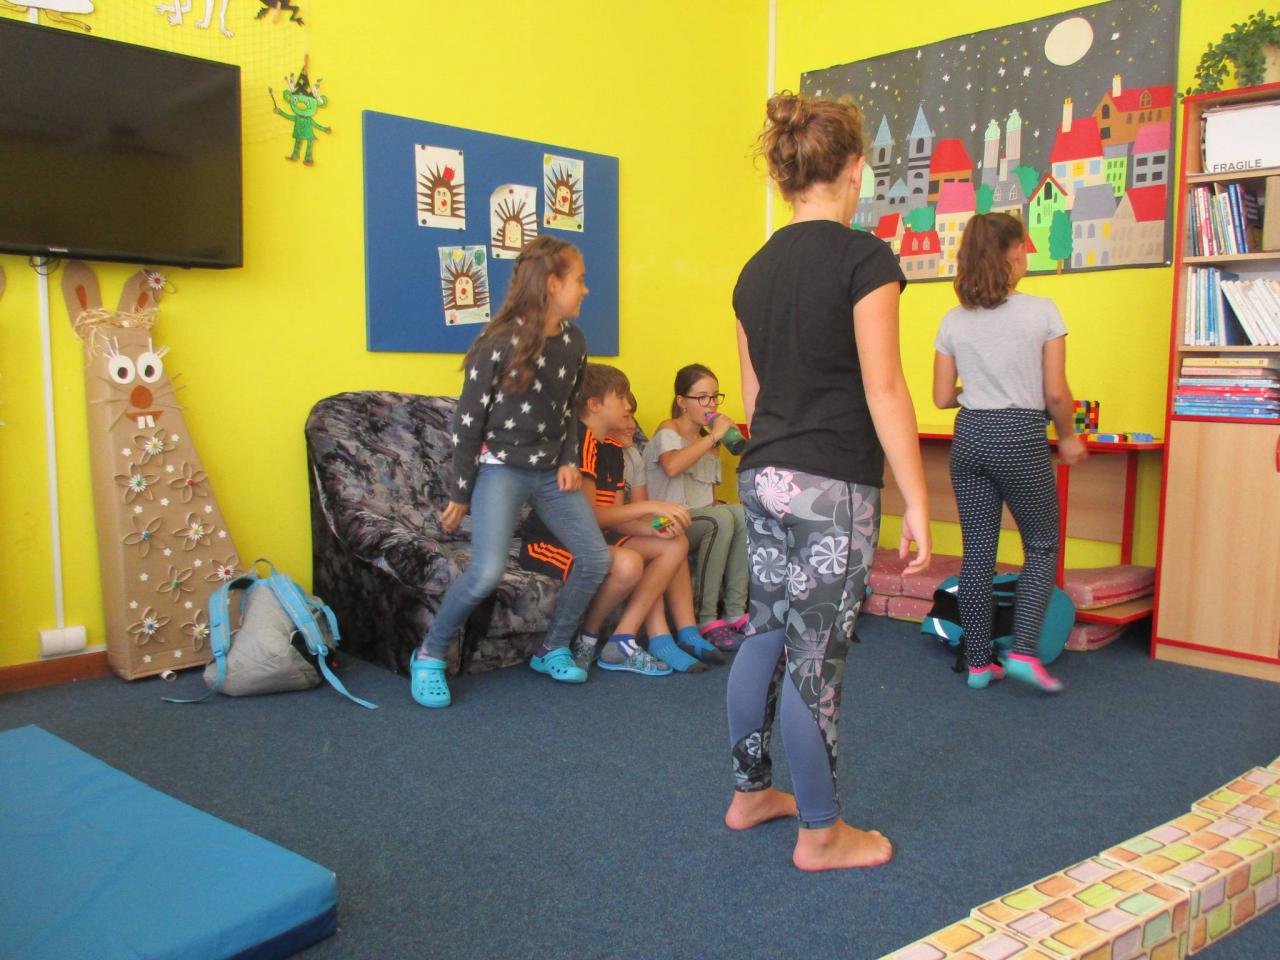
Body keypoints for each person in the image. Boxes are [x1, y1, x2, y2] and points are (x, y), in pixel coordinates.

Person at [727, 91, 931, 872]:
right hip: (832, 486)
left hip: (763, 475)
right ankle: (821, 834)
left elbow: (753, 401)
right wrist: (917, 499)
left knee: (766, 631)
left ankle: (751, 794)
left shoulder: (753, 273)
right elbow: (885, 387)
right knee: (817, 653)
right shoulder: (864, 259)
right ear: (856, 169)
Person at [410, 237, 611, 709]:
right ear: (553, 284)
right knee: (485, 573)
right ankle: (430, 654)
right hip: (500, 469)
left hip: (550, 473)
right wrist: (461, 492)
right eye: (580, 280)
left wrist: (570, 460)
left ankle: (552, 647)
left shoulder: (574, 343)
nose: (586, 289)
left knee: (595, 558)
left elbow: (569, 410)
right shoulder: (498, 342)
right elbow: (467, 423)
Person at [932, 212, 1086, 693]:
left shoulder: (953, 320)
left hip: (970, 436)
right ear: (1013, 251)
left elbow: (941, 397)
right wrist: (1069, 435)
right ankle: (1021, 651)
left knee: (978, 553)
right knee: (1040, 545)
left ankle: (979, 664)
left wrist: (979, 389)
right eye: (1024, 246)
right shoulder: (1043, 312)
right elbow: (1056, 393)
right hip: (1019, 436)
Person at [520, 364, 723, 675]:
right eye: (621, 397)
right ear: (594, 405)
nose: (629, 405)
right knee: (628, 563)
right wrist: (653, 507)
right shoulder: (580, 442)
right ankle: (588, 639)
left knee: (673, 542)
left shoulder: (613, 449)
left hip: (594, 537)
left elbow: (614, 521)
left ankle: (623, 639)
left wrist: (655, 527)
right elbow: (588, 516)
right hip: (552, 540)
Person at [644, 364, 750, 651]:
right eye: (702, 397)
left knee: (741, 514)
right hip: (661, 522)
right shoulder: (669, 429)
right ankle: (706, 619)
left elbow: (707, 498)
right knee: (721, 519)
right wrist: (713, 436)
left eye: (715, 397)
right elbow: (672, 466)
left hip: (698, 519)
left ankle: (736, 611)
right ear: (682, 401)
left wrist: (718, 439)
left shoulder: (710, 444)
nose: (711, 404)